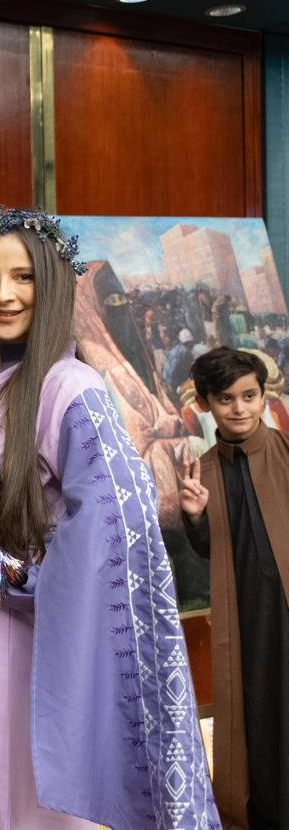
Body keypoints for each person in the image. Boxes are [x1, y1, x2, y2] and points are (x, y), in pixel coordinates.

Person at [0, 207, 217, 829]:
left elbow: (117, 519)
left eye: (22, 277)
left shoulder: (70, 387)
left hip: (13, 631)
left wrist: (26, 579)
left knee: (10, 801)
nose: (3, 294)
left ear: (50, 285)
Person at [181, 346, 289, 829]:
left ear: (264, 396)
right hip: (248, 620)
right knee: (261, 720)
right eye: (226, 399)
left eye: (249, 396)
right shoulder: (202, 470)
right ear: (206, 404)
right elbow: (212, 549)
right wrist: (195, 515)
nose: (240, 408)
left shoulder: (285, 452)